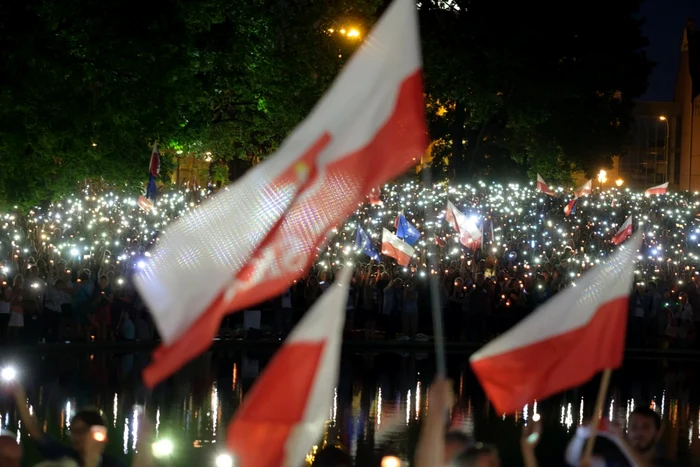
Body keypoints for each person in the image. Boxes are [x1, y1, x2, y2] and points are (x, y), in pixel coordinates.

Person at [9, 383, 124, 467]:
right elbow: (35, 430)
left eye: (79, 431)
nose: (74, 437)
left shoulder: (113, 464)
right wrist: (19, 394)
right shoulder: (66, 456)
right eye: (72, 431)